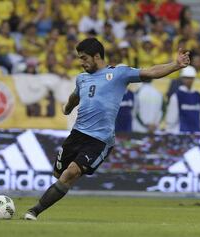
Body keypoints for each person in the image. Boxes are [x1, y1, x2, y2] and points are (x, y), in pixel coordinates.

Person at [24, 37, 190, 220]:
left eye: (84, 58)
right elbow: (75, 96)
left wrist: (175, 64)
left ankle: (34, 211)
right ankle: (45, 199)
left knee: (71, 172)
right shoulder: (82, 79)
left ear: (97, 56)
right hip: (77, 134)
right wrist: (68, 108)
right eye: (79, 58)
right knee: (58, 174)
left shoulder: (119, 74)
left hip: (100, 140)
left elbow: (151, 72)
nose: (81, 62)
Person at [165, 66, 200, 133]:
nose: (189, 80)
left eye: (191, 78)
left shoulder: (199, 96)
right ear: (182, 78)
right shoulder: (176, 96)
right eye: (186, 78)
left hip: (196, 133)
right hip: (181, 134)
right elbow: (171, 119)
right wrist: (169, 132)